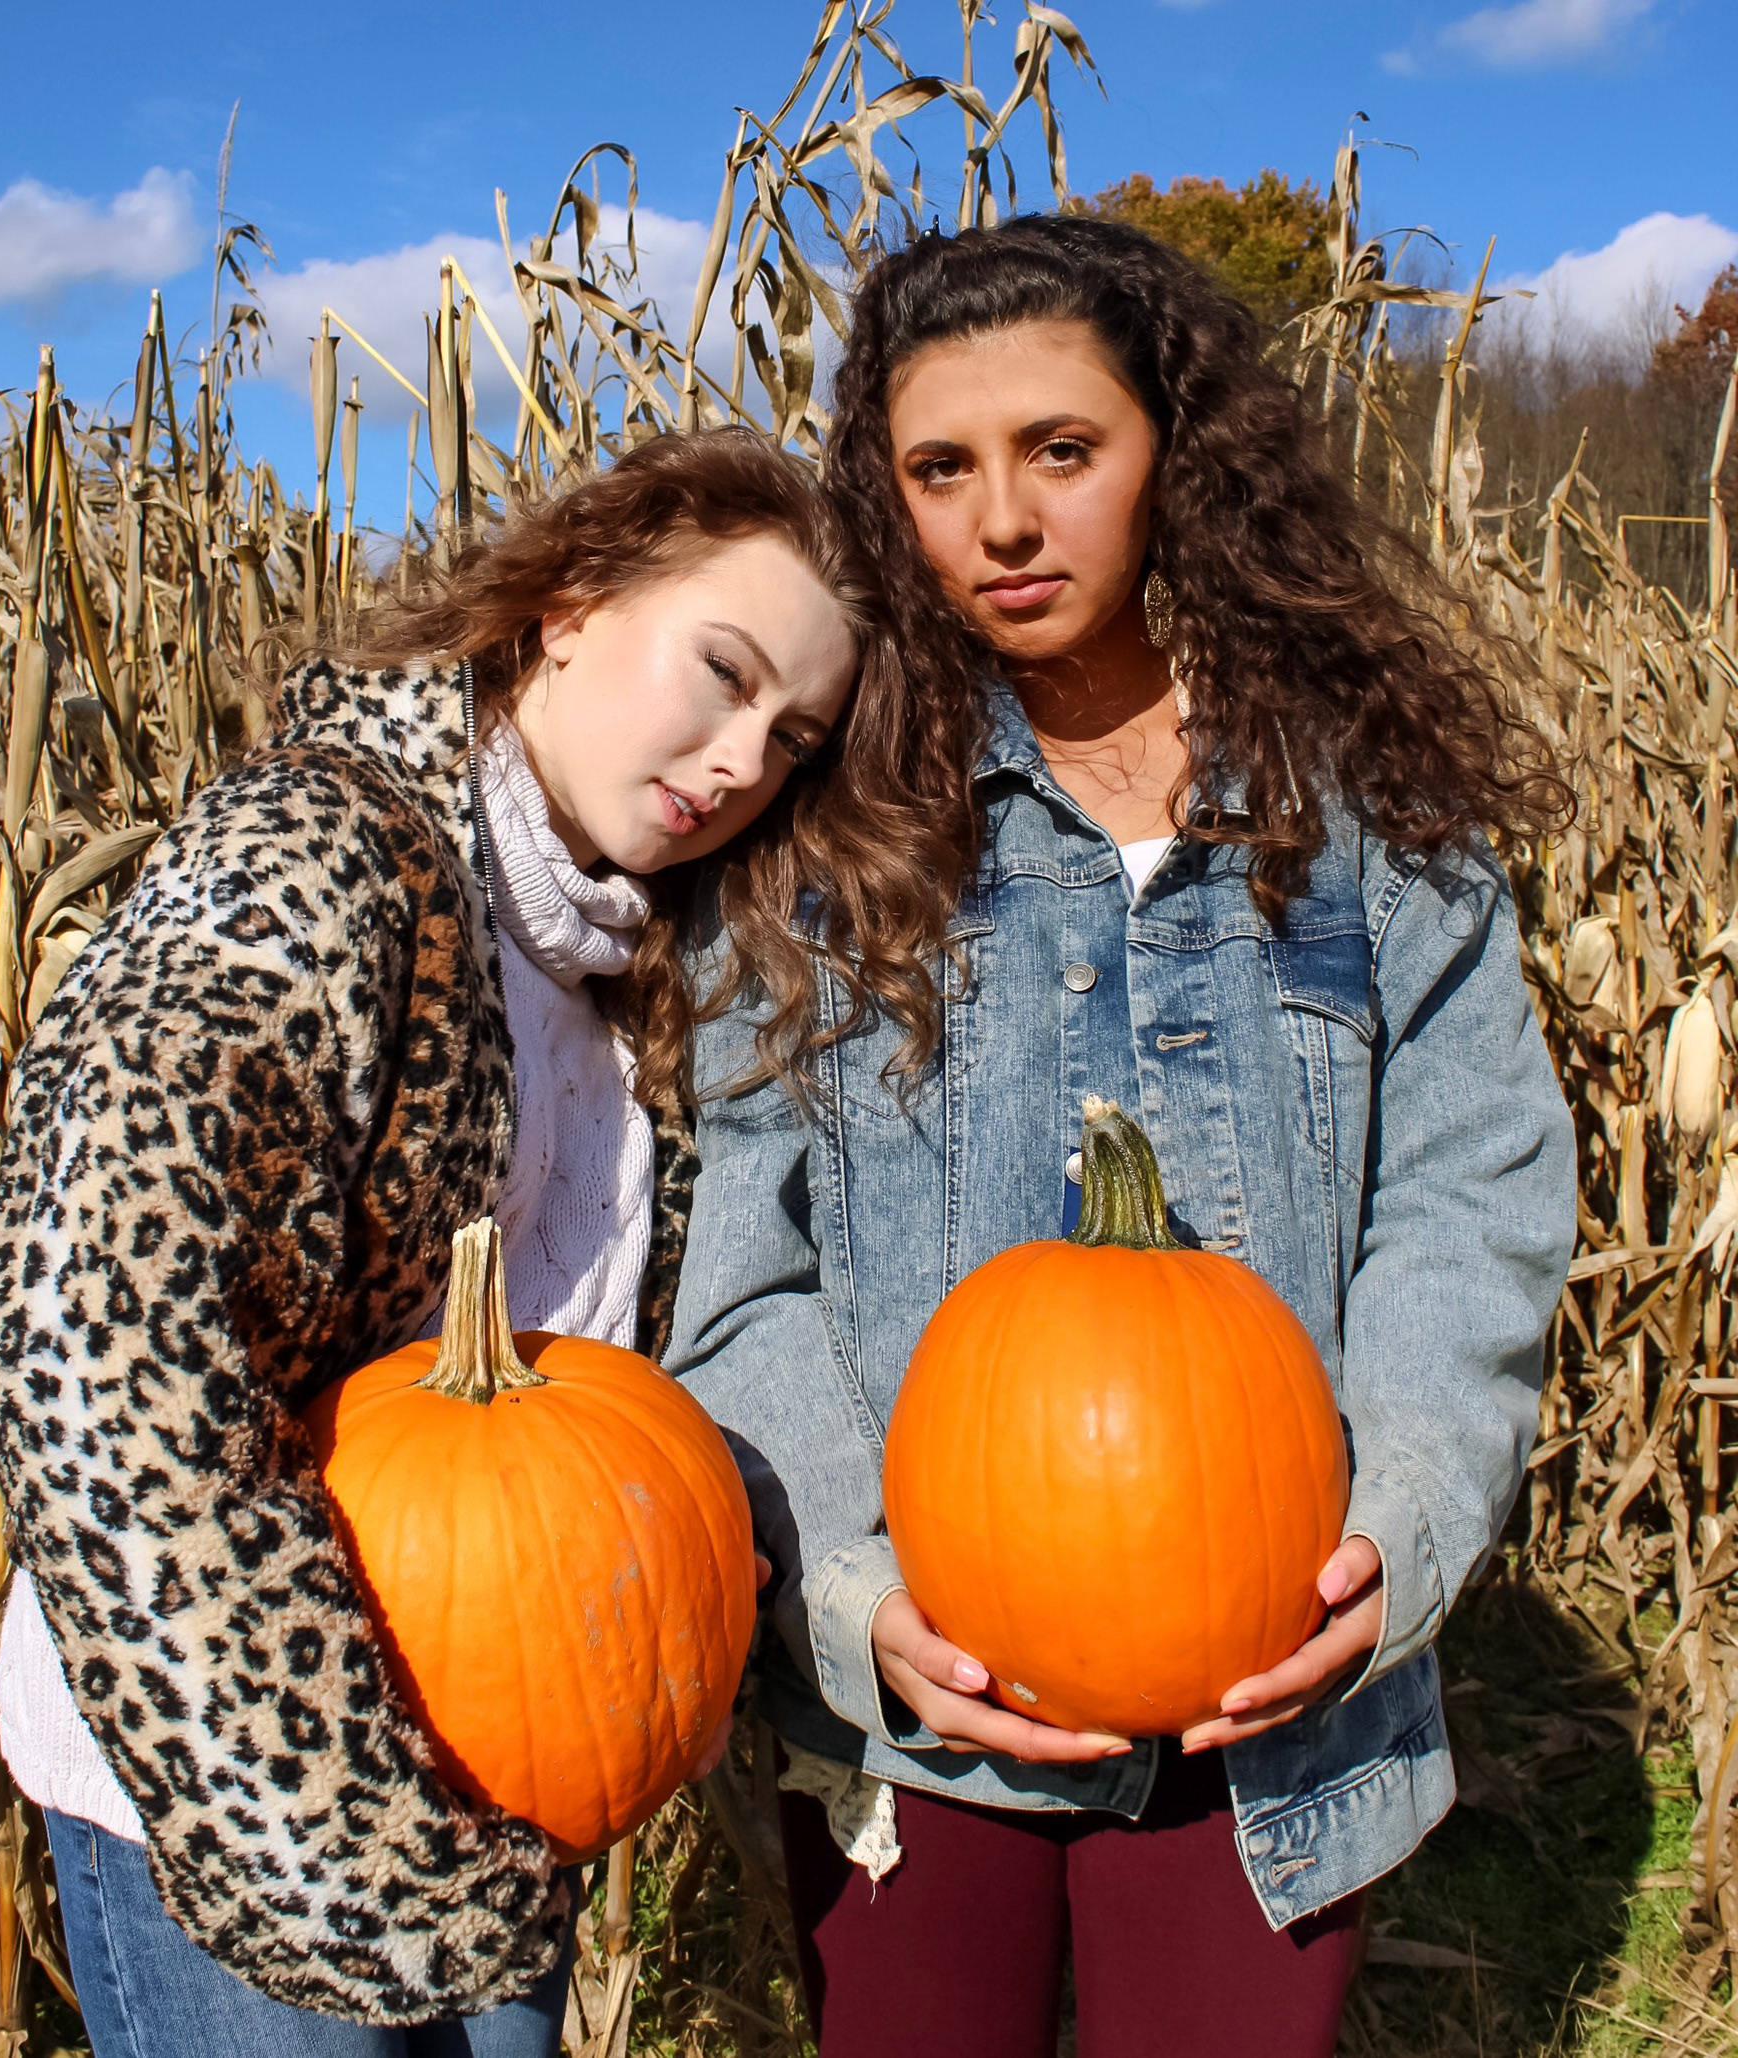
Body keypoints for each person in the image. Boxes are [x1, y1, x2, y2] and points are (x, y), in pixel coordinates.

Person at [665, 216, 1578, 2058]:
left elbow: (1469, 1201)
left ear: (1176, 452)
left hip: (1274, 1701)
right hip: (922, 1708)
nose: (1003, 521)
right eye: (941, 467)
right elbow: (747, 1275)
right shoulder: (830, 837)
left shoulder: (1367, 811)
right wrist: (851, 1592)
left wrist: (1395, 1525)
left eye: (1061, 449)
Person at [0, 428, 922, 2057]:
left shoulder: (633, 958)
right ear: (571, 603)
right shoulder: (317, 865)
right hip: (249, 1800)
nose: (739, 761)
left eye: (790, 737)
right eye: (723, 672)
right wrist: (336, 1845)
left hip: (504, 1784)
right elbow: (103, 1351)